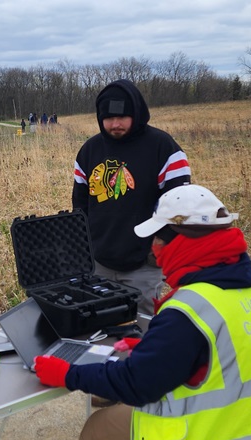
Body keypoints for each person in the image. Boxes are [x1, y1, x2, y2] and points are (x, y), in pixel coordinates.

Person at [34, 184, 251, 440]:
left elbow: (137, 384)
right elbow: (224, 353)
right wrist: (158, 349)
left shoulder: (188, 311)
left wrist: (69, 374)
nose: (153, 249)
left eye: (156, 239)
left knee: (98, 430)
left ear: (178, 241)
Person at [72, 78, 191, 318]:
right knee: (100, 328)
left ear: (137, 113)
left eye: (122, 117)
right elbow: (80, 206)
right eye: (108, 118)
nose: (115, 124)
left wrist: (160, 244)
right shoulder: (89, 150)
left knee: (144, 329)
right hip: (99, 263)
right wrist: (83, 250)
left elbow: (181, 203)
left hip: (143, 265)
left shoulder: (163, 148)